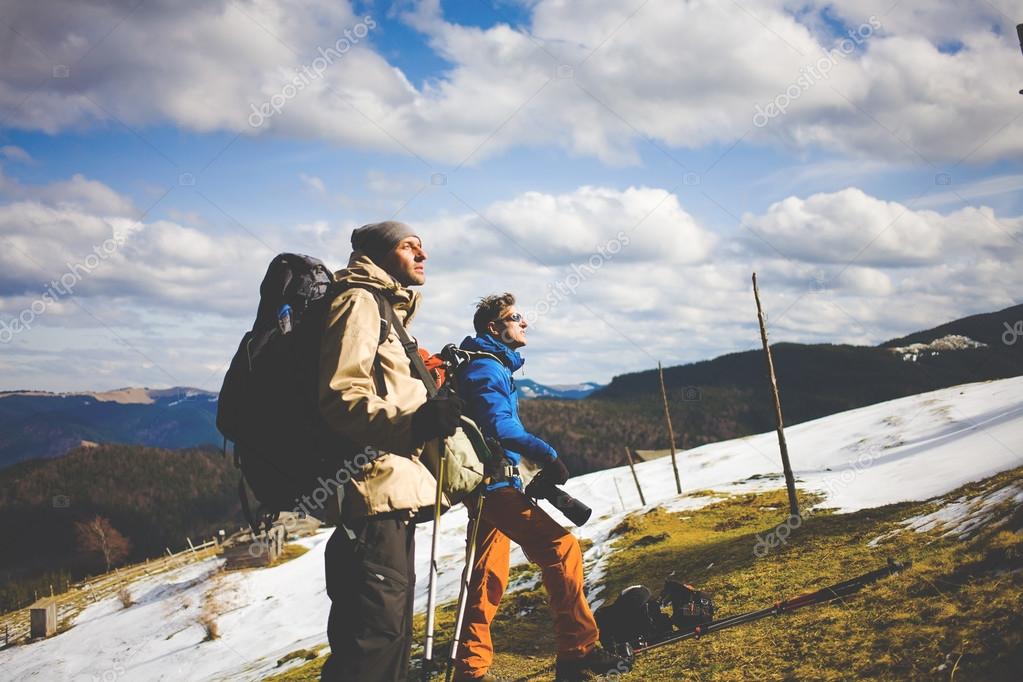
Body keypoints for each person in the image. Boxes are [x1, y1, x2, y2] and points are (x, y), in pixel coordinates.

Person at [452, 293, 629, 682]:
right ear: (494, 328)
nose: (525, 323)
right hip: (492, 485)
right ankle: (578, 650)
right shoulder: (486, 368)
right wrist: (549, 455)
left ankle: (470, 671)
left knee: (485, 577)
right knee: (561, 548)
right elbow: (500, 427)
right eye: (516, 318)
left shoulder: (489, 365)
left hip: (486, 485)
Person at [318, 221, 463, 682]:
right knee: (374, 636)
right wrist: (413, 424)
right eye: (408, 247)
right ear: (382, 255)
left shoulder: (387, 309)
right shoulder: (359, 301)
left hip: (392, 491)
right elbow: (340, 395)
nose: (422, 256)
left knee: (389, 629)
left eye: (423, 247)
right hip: (372, 487)